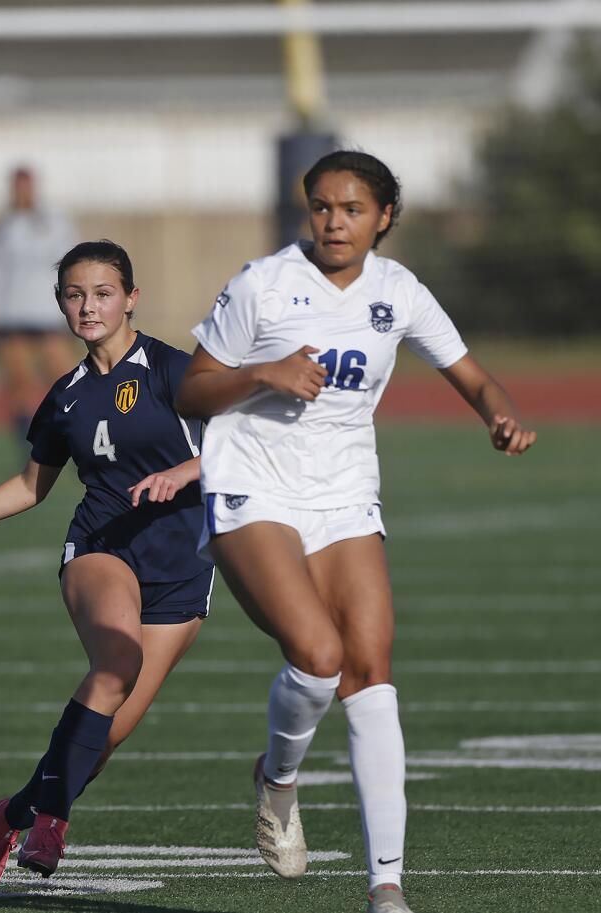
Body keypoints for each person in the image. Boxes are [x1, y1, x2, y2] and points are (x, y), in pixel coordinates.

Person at [175, 150, 536, 913]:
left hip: (343, 493)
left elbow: (472, 374)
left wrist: (498, 416)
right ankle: (277, 780)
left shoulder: (397, 289)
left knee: (370, 675)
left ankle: (386, 889)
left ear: (384, 218)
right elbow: (192, 387)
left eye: (352, 209)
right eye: (321, 207)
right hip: (254, 484)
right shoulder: (264, 283)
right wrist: (262, 372)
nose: (334, 221)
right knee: (318, 657)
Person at [0, 240, 214, 889]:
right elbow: (30, 486)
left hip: (182, 566)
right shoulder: (65, 395)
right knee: (116, 663)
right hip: (101, 546)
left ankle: (11, 813)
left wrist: (186, 471)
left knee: (100, 740)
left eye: (102, 293)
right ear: (60, 303)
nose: (87, 306)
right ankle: (51, 821)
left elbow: (251, 441)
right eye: (74, 294)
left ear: (131, 298)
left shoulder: (176, 370)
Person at [0, 166, 80, 446]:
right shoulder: (2, 226)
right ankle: (28, 447)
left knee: (66, 381)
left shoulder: (55, 221)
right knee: (19, 385)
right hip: (12, 316)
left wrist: (71, 308)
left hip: (48, 314)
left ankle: (76, 437)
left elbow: (71, 264)